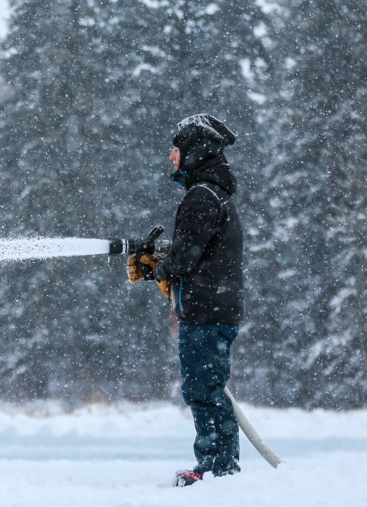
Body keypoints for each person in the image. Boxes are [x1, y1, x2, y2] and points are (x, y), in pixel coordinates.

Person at [127, 113, 244, 487]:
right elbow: (194, 254)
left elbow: (185, 257)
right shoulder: (213, 195)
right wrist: (162, 262)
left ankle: (214, 468)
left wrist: (156, 267)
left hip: (206, 314)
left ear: (195, 152)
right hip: (211, 310)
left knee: (203, 390)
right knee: (206, 388)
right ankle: (219, 465)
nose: (171, 158)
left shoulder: (201, 197)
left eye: (176, 150)